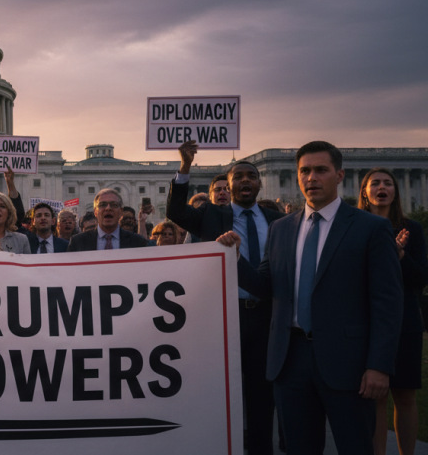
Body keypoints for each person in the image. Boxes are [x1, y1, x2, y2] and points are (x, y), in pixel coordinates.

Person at [217, 141, 403, 455]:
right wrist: (235, 259)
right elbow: (266, 286)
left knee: (356, 446)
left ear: (340, 174)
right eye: (304, 171)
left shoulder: (371, 228)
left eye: (320, 170)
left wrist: (379, 365)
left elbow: (387, 301)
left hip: (349, 363)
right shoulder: (281, 228)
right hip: (290, 360)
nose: (311, 178)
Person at [167, 140, 286, 455]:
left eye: (251, 175)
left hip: (264, 316)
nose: (246, 180)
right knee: (219, 394)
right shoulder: (210, 216)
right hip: (222, 315)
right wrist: (185, 166)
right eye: (239, 176)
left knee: (262, 397)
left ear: (260, 184)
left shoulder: (279, 223)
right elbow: (176, 211)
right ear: (228, 185)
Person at [357, 168, 428, 455]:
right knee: (375, 397)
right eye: (375, 183)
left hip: (405, 321)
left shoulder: (412, 229)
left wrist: (399, 256)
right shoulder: (354, 227)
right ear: (365, 191)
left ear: (395, 192)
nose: (382, 187)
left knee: (404, 395)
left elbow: (421, 278)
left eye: (388, 183)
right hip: (365, 321)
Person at [68, 189, 149, 251]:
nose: (108, 208)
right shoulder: (78, 242)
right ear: (95, 212)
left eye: (114, 205)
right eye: (102, 205)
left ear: (121, 212)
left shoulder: (138, 242)